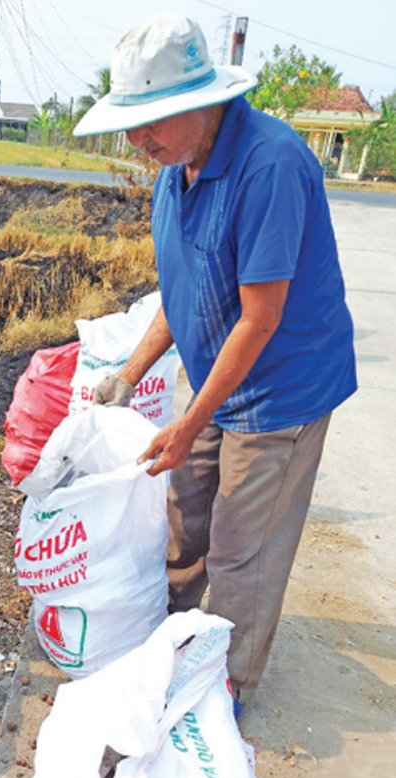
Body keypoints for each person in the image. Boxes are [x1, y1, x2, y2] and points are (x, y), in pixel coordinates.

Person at [75, 13, 356, 715]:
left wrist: (190, 418)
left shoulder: (271, 163)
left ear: (198, 104)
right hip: (213, 374)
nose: (138, 144)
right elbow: (184, 292)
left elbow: (260, 319)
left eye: (150, 125)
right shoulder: (174, 172)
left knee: (241, 549)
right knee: (184, 516)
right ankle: (173, 638)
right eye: (131, 126)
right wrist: (129, 376)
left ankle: (222, 692)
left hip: (279, 390)